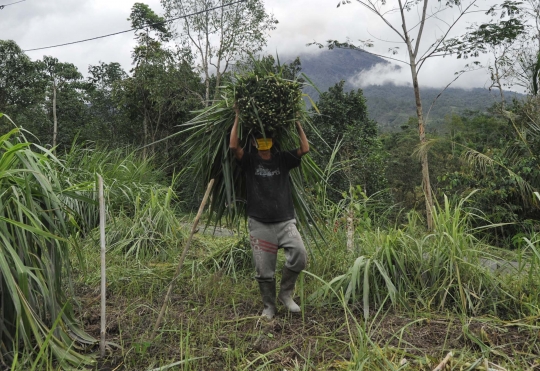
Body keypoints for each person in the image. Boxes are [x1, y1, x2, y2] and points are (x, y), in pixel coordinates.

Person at [229, 105, 309, 320]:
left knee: (300, 256)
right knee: (264, 271)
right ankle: (269, 306)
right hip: (260, 224)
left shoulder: (282, 159)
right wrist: (237, 117)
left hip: (285, 222)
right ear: (254, 143)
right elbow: (233, 145)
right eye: (260, 139)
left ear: (272, 141)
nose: (264, 142)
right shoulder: (249, 161)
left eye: (267, 138)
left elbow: (304, 148)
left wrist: (297, 123)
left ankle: (285, 294)